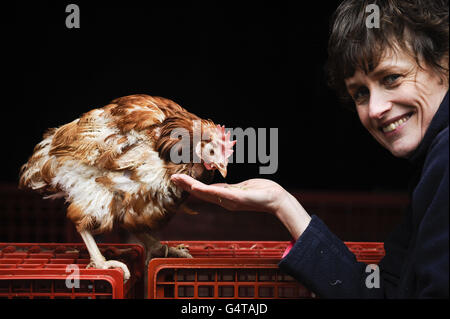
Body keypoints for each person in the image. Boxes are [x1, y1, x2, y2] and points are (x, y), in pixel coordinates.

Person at [171, 0, 449, 298]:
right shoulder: (431, 166)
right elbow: (383, 292)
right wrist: (281, 203)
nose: (375, 109)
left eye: (392, 78)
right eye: (360, 93)